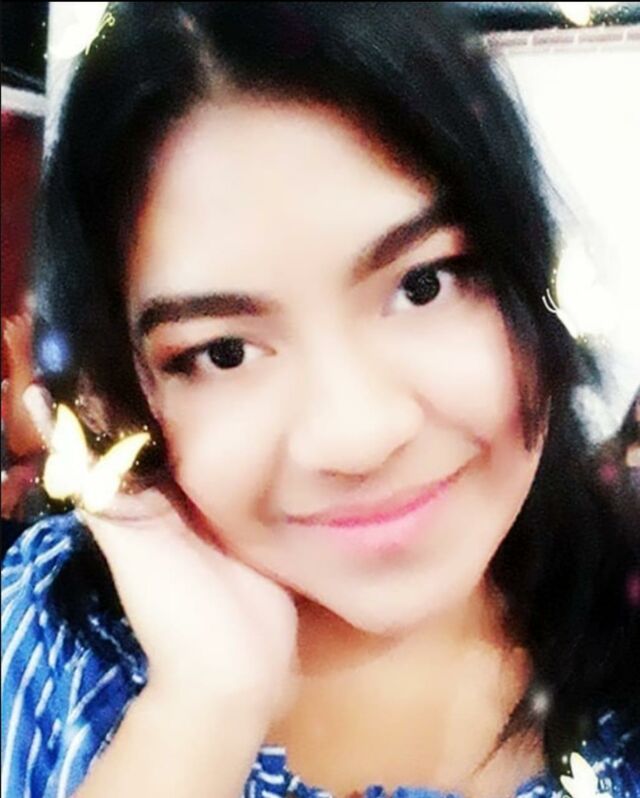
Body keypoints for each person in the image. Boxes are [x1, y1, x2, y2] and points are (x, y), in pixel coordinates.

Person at [2, 3, 638, 797]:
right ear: (125, 385)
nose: (357, 437)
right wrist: (200, 712)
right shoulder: (41, 643)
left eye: (423, 284)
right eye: (223, 352)